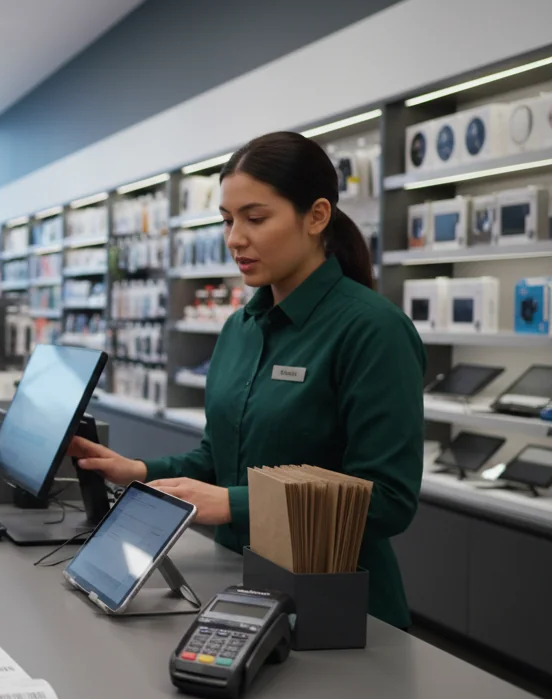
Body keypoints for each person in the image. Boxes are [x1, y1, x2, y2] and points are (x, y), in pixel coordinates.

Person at [70, 131, 424, 630]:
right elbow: (219, 460)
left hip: (340, 610)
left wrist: (234, 504)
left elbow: (388, 500)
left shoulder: (373, 330)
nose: (236, 238)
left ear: (317, 216)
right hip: (238, 584)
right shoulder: (240, 328)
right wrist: (138, 471)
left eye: (255, 219)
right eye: (228, 220)